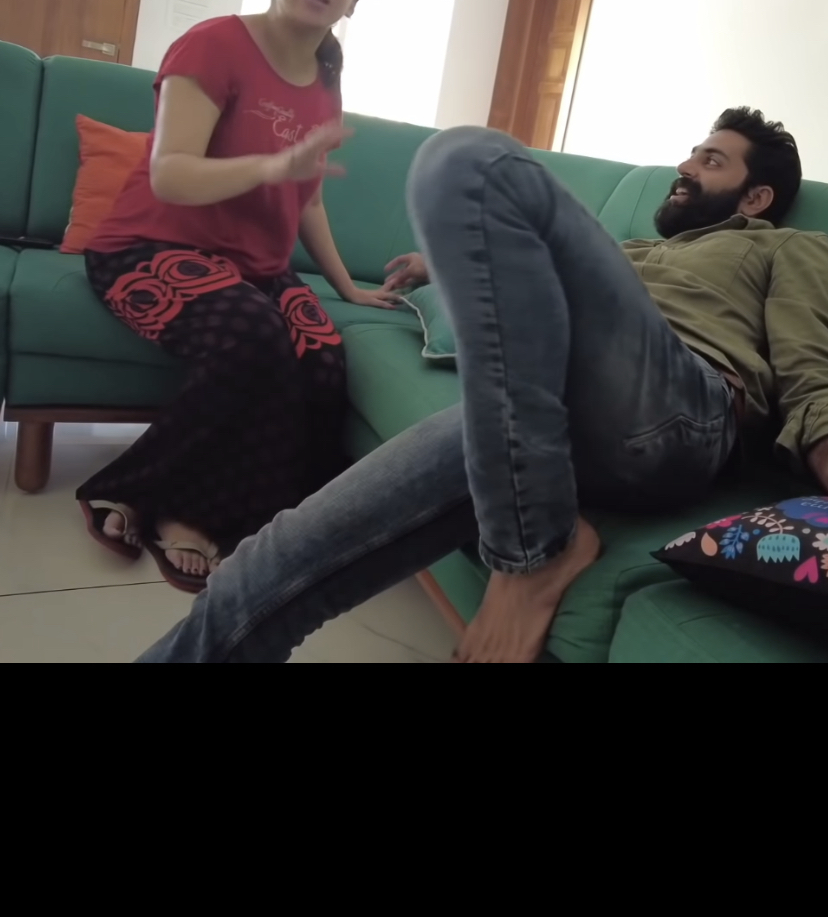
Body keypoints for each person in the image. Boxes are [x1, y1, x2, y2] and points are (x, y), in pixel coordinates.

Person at [137, 106, 828, 661]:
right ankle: (545, 533)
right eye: (692, 153)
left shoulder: (785, 247)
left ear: (757, 196)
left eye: (711, 160)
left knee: (467, 159)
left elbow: (810, 372)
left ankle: (531, 554)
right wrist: (449, 263)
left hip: (676, 410)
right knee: (264, 567)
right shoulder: (639, 251)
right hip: (535, 415)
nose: (684, 167)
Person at [78, 0, 394, 592]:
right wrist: (271, 167)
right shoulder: (213, 44)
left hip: (255, 268)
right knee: (253, 337)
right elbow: (170, 174)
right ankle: (164, 502)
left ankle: (267, 517)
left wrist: (347, 287)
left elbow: (309, 199)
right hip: (147, 245)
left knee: (323, 359)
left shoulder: (327, 78)